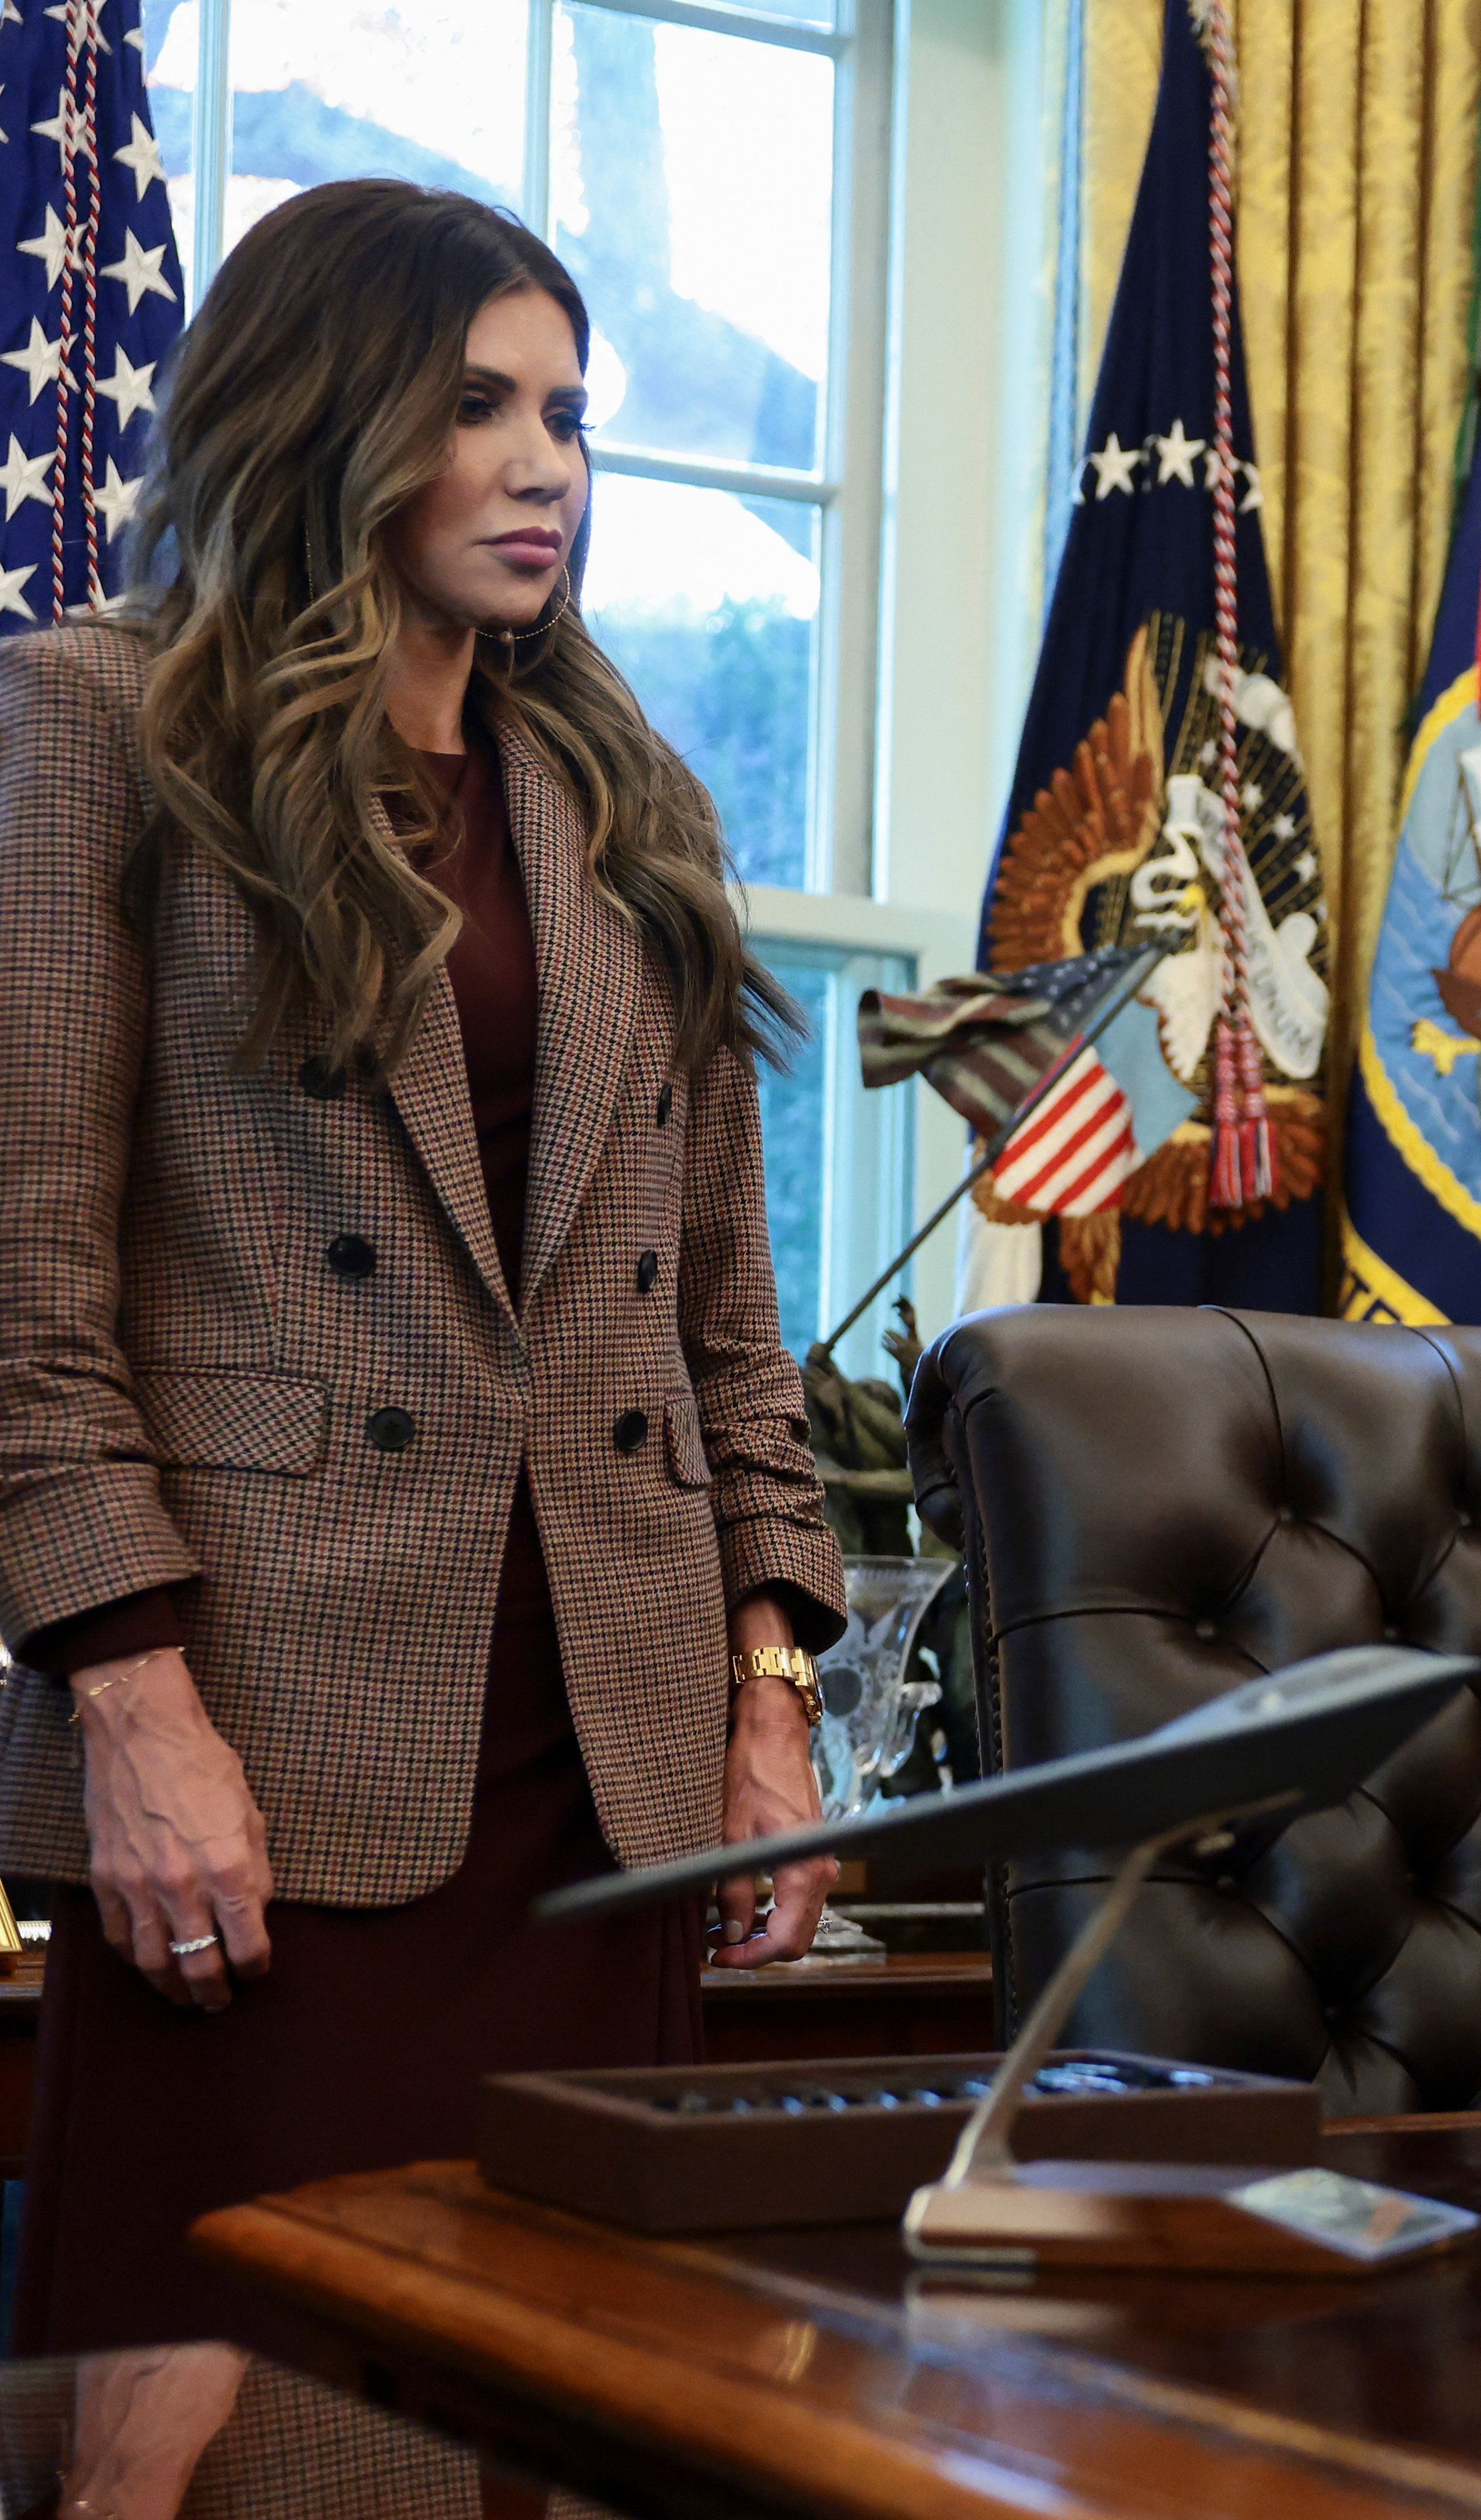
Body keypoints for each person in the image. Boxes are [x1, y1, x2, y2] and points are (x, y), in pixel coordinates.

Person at [0, 181, 847, 2349]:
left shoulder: (623, 788)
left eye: (571, 409)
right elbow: (27, 1297)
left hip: (613, 1779)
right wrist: (133, 1708)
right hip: (266, 1758)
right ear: (336, 410)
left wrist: (774, 1702)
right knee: (230, 2417)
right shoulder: (100, 728)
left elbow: (724, 1318)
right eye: (479, 403)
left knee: (585, 2414)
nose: (548, 460)